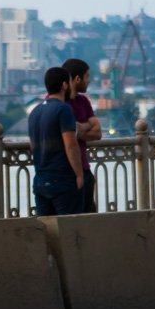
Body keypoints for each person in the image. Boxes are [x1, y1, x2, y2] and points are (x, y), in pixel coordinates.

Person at [28, 66, 85, 216]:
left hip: (40, 180)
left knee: (47, 228)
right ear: (64, 85)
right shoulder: (63, 109)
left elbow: (33, 145)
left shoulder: (35, 111)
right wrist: (79, 175)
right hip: (62, 180)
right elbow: (70, 145)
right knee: (69, 227)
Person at [62, 58, 103, 213]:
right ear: (77, 79)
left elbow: (98, 132)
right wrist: (83, 128)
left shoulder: (83, 101)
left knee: (89, 216)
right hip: (67, 172)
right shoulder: (60, 103)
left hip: (85, 170)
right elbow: (69, 134)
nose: (89, 81)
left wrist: (79, 128)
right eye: (87, 76)